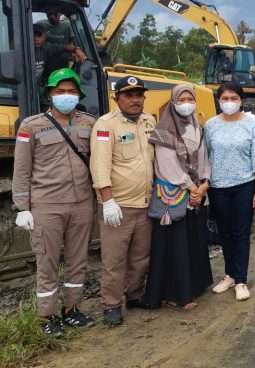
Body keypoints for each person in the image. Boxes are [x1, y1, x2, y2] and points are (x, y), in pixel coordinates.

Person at [12, 69, 96, 336]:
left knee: (77, 260)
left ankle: (71, 310)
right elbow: (22, 169)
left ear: (79, 95)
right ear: (50, 94)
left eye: (71, 92)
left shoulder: (89, 124)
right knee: (47, 262)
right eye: (60, 92)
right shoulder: (31, 126)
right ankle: (46, 316)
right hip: (47, 205)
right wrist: (22, 207)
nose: (66, 96)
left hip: (82, 203)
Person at [90, 75, 156, 326]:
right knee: (114, 260)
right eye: (128, 95)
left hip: (146, 203)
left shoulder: (150, 121)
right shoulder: (106, 125)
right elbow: (100, 164)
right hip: (118, 206)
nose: (135, 100)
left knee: (141, 257)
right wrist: (107, 200)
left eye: (139, 95)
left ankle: (135, 295)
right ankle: (111, 304)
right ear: (116, 98)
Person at [143, 84, 214, 309]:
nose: (186, 104)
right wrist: (191, 187)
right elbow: (165, 165)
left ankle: (194, 287)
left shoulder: (198, 127)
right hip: (175, 196)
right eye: (180, 100)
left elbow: (204, 160)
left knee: (194, 243)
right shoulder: (164, 130)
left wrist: (204, 184)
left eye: (189, 99)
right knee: (176, 248)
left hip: (196, 196)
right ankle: (176, 294)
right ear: (173, 103)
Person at [204, 82, 255, 301]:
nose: (229, 103)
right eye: (225, 98)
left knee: (240, 233)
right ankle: (229, 275)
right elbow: (207, 158)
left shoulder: (250, 125)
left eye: (233, 98)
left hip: (244, 186)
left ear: (241, 100)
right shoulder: (210, 125)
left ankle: (241, 280)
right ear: (218, 100)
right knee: (225, 233)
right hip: (218, 187)